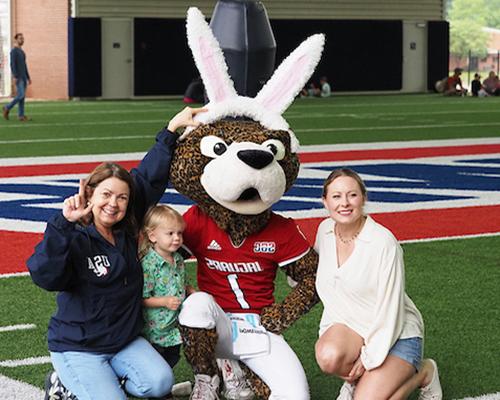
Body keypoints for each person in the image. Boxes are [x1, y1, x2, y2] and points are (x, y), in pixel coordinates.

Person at [27, 107, 206, 400]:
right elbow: (45, 276)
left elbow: (148, 178)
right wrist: (63, 224)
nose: (114, 203)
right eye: (106, 195)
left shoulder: (127, 226)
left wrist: (171, 130)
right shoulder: (73, 235)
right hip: (78, 345)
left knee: (160, 383)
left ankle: (102, 381)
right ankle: (63, 381)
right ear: (90, 195)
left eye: (121, 197)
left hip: (123, 341)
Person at [314, 168, 442, 400]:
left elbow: (390, 311)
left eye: (352, 195)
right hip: (353, 329)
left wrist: (368, 358)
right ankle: (357, 381)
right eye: (336, 196)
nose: (345, 203)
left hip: (397, 334)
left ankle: (424, 372)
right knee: (328, 355)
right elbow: (319, 277)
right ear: (325, 202)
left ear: (363, 198)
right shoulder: (324, 231)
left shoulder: (383, 243)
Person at [140, 204, 195, 371]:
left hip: (174, 326)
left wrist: (188, 289)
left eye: (179, 233)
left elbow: (175, 282)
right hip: (156, 329)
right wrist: (163, 301)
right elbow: (142, 298)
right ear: (153, 236)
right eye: (170, 234)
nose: (177, 238)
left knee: (173, 356)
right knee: (156, 363)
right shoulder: (149, 264)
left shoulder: (178, 259)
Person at [3, 33, 31, 121]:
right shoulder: (14, 51)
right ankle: (7, 107)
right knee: (20, 95)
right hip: (18, 77)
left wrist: (28, 77)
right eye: (20, 38)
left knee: (22, 97)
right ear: (15, 40)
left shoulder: (22, 52)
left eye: (23, 38)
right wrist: (14, 76)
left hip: (23, 77)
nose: (22, 40)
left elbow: (24, 65)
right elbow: (12, 64)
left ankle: (21, 116)